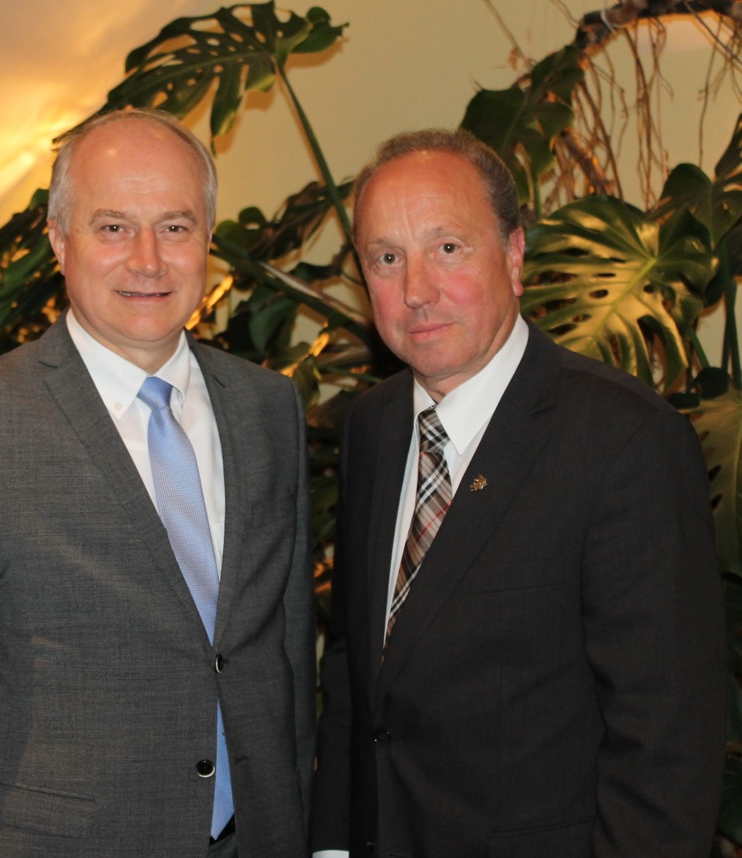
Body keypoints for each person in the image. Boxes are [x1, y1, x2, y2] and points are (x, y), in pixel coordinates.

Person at [0, 108, 315, 857]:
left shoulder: (268, 407)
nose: (148, 260)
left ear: (208, 237)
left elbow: (286, 658)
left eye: (175, 227)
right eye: (113, 228)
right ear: (58, 240)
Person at [310, 128, 725, 857]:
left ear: (513, 254)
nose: (416, 291)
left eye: (447, 248)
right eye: (386, 258)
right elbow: (354, 666)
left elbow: (665, 739)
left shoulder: (624, 440)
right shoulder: (373, 427)